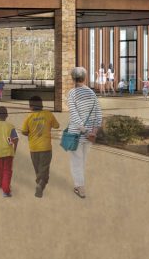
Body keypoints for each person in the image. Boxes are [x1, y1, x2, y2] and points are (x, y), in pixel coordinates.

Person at [66, 67, 102, 199]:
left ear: (73, 78)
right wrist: (93, 131)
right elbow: (98, 113)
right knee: (83, 160)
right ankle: (79, 184)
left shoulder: (72, 93)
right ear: (85, 78)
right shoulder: (91, 93)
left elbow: (74, 116)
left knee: (77, 161)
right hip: (90, 135)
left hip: (76, 134)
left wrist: (85, 131)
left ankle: (80, 187)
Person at [20, 95, 59, 197]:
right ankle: (41, 184)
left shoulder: (28, 117)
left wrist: (30, 132)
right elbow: (57, 126)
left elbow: (24, 131)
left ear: (30, 107)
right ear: (41, 105)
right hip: (46, 147)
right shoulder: (48, 114)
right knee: (44, 168)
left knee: (38, 169)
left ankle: (40, 184)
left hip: (33, 148)